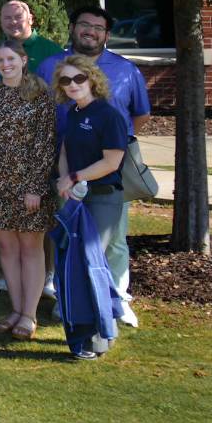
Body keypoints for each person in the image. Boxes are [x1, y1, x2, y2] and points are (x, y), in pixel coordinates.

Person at [0, 40, 59, 341]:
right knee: (7, 249)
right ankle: (15, 308)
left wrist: (36, 186)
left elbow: (46, 143)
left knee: (30, 248)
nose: (5, 64)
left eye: (10, 58)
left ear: (24, 60)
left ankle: (30, 313)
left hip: (29, 184)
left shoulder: (40, 95)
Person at [53, 56, 135, 330]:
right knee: (76, 259)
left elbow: (111, 162)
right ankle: (85, 321)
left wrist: (76, 177)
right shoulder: (75, 112)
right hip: (77, 196)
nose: (73, 84)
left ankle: (100, 328)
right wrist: (66, 179)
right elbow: (65, 149)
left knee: (91, 261)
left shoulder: (108, 115)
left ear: (92, 79)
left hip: (103, 196)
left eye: (79, 78)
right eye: (66, 80)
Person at [35, 5, 151, 125]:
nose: (90, 31)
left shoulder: (127, 70)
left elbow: (142, 114)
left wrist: (122, 139)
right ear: (71, 28)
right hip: (63, 143)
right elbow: (38, 112)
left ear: (107, 36)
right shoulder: (48, 67)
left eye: (99, 28)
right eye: (84, 24)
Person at [0, 0, 65, 75]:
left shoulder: (53, 51)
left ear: (30, 19)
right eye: (7, 18)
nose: (13, 22)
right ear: (1, 22)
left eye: (18, 17)